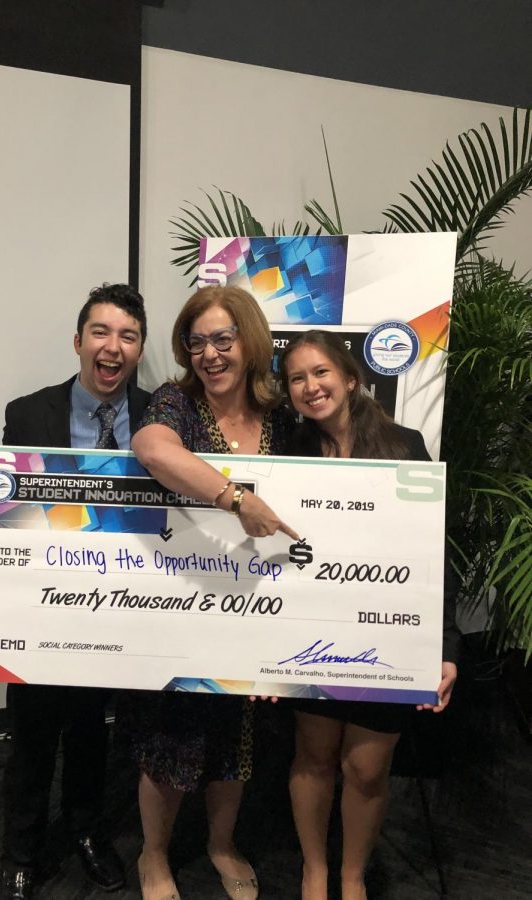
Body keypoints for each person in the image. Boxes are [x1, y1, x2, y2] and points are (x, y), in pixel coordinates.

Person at [0, 283, 150, 900]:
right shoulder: (29, 413)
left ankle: (88, 832)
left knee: (96, 728)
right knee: (34, 733)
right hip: (41, 608)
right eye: (101, 332)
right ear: (78, 341)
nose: (113, 347)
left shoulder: (159, 417)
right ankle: (20, 852)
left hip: (120, 606)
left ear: (139, 348)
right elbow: (7, 503)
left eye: (127, 335)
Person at [129, 285, 298, 900]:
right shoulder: (175, 401)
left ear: (249, 341)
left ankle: (221, 844)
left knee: (237, 737)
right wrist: (236, 497)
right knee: (168, 735)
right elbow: (150, 449)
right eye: (196, 342)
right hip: (181, 600)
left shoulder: (281, 417)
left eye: (222, 339)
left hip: (257, 605)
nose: (210, 353)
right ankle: (153, 856)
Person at [279, 330, 459, 900]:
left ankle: (352, 875)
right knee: (313, 758)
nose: (311, 387)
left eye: (322, 373)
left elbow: (435, 554)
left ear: (351, 378)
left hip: (387, 639)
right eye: (297, 378)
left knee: (366, 770)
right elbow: (264, 557)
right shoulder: (289, 455)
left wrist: (446, 648)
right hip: (310, 635)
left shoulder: (405, 448)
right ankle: (315, 870)